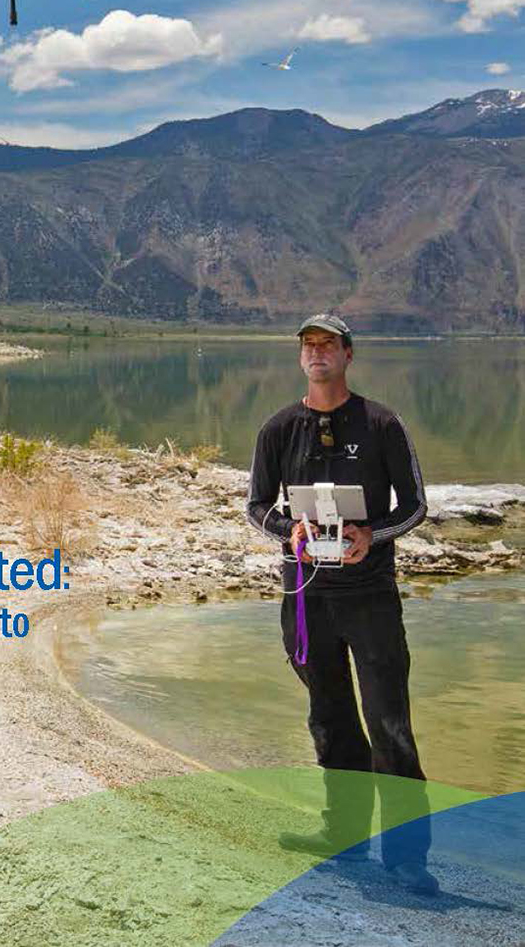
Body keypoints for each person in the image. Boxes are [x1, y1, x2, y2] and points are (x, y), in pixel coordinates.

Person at [246, 312, 438, 896]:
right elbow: (257, 508)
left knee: (389, 725)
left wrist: (368, 536)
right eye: (308, 344)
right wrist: (291, 534)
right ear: (300, 357)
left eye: (328, 343)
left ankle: (406, 857)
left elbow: (416, 506)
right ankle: (345, 837)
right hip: (305, 599)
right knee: (330, 720)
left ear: (348, 354)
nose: (317, 352)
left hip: (371, 597)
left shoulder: (382, 423)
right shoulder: (279, 428)